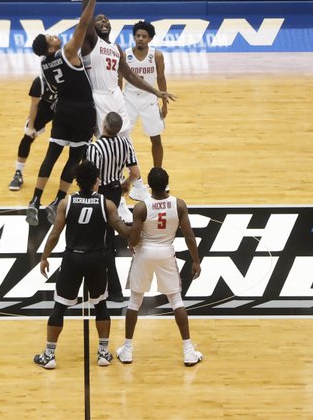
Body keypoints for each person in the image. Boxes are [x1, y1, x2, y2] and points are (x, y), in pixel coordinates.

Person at [26, 0, 106, 227]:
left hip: (62, 110)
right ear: (51, 46)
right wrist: (92, 0)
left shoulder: (44, 65)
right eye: (51, 36)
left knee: (51, 155)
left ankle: (34, 201)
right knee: (74, 158)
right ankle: (56, 201)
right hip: (82, 110)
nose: (55, 35)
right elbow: (84, 23)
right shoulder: (69, 52)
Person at [33, 159, 131, 369]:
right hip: (97, 258)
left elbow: (55, 234)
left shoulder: (66, 203)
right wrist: (140, 229)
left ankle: (49, 355)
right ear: (97, 181)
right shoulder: (106, 204)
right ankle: (103, 353)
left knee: (59, 306)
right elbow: (124, 232)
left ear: (77, 182)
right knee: (101, 305)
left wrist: (44, 257)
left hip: (73, 258)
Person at [82, 12, 174, 206]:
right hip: (101, 96)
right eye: (99, 19)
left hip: (118, 95)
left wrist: (157, 93)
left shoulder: (116, 48)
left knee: (125, 142)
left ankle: (138, 184)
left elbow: (130, 75)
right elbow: (86, 20)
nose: (104, 20)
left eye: (107, 18)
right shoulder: (91, 43)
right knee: (105, 147)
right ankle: (111, 193)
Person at [115, 167, 203, 367]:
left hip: (145, 252)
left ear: (149, 186)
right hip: (166, 252)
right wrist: (196, 261)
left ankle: (127, 350)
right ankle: (188, 351)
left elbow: (135, 238)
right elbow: (189, 236)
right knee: (176, 300)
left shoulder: (141, 208)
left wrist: (128, 237)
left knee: (135, 301)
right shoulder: (178, 204)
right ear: (167, 183)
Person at [86, 112, 140, 302]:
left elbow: (93, 179)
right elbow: (135, 173)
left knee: (102, 241)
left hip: (100, 195)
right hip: (115, 192)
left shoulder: (95, 148)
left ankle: (113, 290)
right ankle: (106, 286)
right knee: (106, 238)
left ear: (103, 125)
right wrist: (125, 184)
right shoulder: (125, 144)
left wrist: (90, 198)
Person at [123, 21, 167, 169]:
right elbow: (119, 80)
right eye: (138, 35)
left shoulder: (157, 56)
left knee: (156, 138)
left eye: (144, 36)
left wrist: (165, 104)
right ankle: (118, 174)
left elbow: (161, 79)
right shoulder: (125, 55)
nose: (140, 38)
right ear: (134, 37)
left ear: (150, 39)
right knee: (121, 138)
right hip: (128, 99)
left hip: (149, 99)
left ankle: (158, 173)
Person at [8, 75, 56, 191]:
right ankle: (18, 173)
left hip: (65, 106)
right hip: (46, 106)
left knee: (79, 139)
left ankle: (85, 173)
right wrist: (31, 126)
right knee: (27, 137)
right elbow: (34, 105)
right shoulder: (39, 81)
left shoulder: (69, 74)